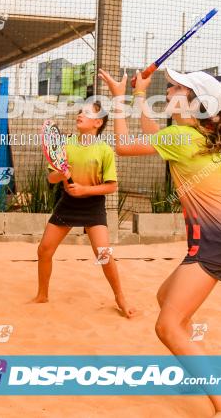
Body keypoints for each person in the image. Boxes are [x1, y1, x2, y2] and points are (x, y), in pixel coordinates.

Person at [98, 67, 221, 418]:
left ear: (194, 102)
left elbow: (122, 146)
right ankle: (197, 366)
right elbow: (155, 137)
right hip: (220, 239)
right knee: (166, 300)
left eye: (175, 88)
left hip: (218, 241)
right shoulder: (188, 135)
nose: (167, 92)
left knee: (166, 325)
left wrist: (120, 100)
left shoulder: (183, 137)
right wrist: (139, 95)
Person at [32, 102, 136, 319]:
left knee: (103, 254)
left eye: (87, 113)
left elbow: (111, 186)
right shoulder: (65, 144)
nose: (80, 114)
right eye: (80, 111)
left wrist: (85, 189)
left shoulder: (104, 150)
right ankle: (42, 295)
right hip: (67, 203)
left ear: (97, 123)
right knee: (44, 250)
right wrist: (61, 174)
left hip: (93, 205)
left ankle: (120, 298)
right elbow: (51, 178)